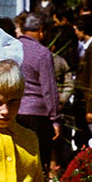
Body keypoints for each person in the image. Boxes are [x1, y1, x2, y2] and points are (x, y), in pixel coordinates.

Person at [16, 14, 59, 171]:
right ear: (41, 30)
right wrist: (55, 118)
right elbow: (49, 89)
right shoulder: (42, 53)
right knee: (37, 160)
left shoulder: (11, 49)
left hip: (14, 110)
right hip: (37, 113)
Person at [72, 13, 92, 145]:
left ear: (82, 30)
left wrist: (91, 109)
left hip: (87, 102)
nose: (75, 33)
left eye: (76, 29)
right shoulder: (88, 47)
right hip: (82, 100)